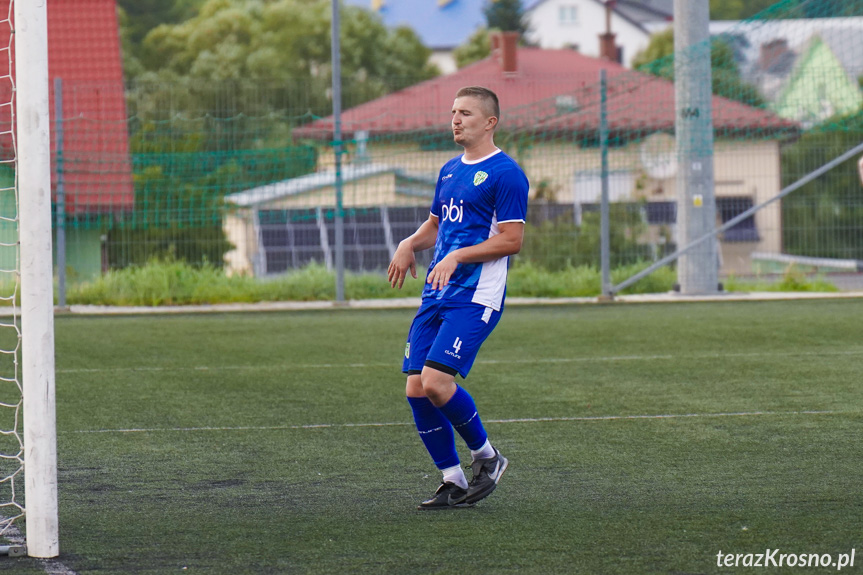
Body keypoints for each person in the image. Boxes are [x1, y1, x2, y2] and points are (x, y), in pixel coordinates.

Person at [387, 86, 529, 510]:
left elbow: (512, 239)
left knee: (435, 382)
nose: (455, 119)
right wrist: (409, 243)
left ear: (490, 122)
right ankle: (451, 479)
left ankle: (488, 457)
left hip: (475, 295)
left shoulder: (506, 174)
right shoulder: (450, 170)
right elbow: (435, 225)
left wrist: (459, 255)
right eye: (453, 112)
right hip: (437, 292)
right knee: (416, 388)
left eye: (465, 113)